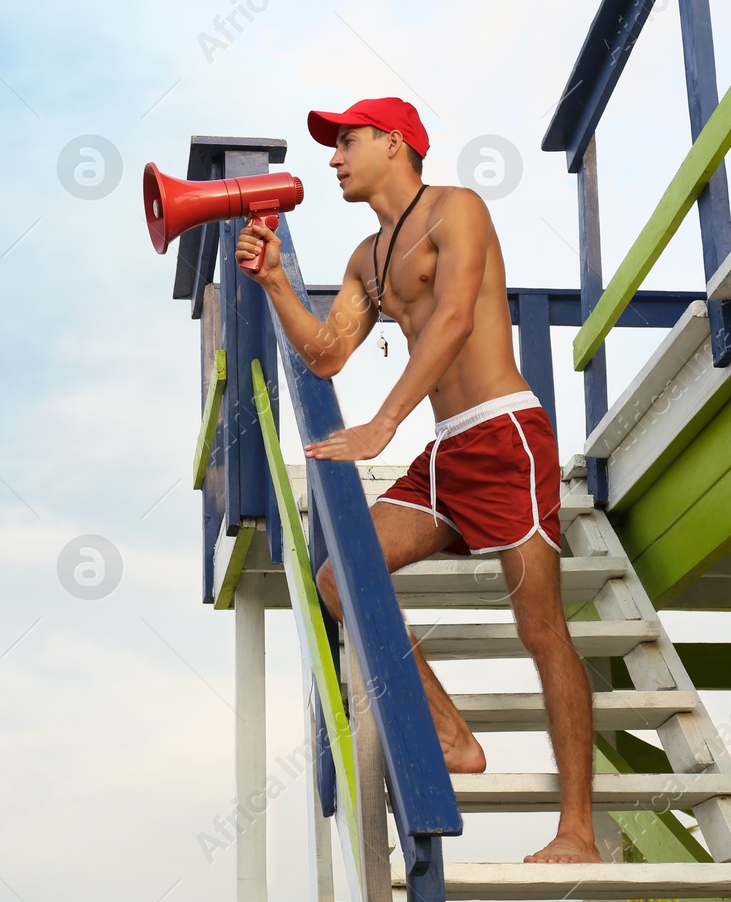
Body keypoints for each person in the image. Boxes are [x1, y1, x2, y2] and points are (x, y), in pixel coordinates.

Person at [234, 97, 600, 864]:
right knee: (341, 577)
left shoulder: (455, 209)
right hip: (446, 454)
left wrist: (383, 424)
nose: (334, 158)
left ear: (395, 144)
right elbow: (329, 352)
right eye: (332, 146)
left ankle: (578, 831)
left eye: (348, 141)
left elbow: (456, 318)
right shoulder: (367, 259)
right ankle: (449, 731)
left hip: (504, 436)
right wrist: (273, 282)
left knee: (541, 628)